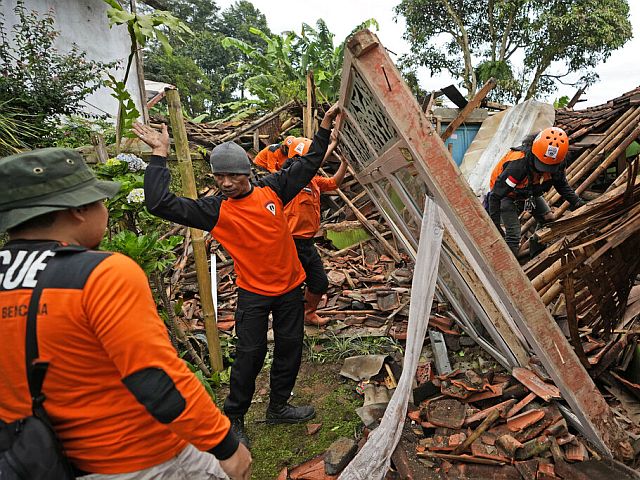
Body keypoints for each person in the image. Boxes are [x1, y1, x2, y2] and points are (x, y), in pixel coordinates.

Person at [0, 148, 251, 479]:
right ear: (78, 209)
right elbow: (156, 377)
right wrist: (224, 444)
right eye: (100, 200)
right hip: (139, 458)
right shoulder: (101, 273)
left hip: (35, 460)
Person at [135, 103, 341, 449]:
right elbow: (159, 203)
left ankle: (278, 406)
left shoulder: (274, 188)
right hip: (254, 295)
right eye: (220, 177)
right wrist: (159, 155)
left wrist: (322, 128)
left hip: (290, 290)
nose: (226, 183)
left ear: (248, 172)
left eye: (233, 176)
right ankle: (235, 416)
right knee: (250, 355)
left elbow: (308, 164)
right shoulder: (214, 210)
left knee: (290, 348)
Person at [254, 136, 347, 327]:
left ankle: (308, 314)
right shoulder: (285, 183)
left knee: (319, 282)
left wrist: (345, 163)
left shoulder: (313, 181)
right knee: (289, 288)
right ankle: (283, 322)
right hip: (288, 243)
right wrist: (329, 146)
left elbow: (333, 184)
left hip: (307, 243)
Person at [488, 127, 586, 256]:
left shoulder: (558, 162)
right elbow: (495, 196)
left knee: (548, 219)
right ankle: (508, 267)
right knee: (513, 235)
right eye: (542, 164)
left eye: (550, 166)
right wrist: (495, 226)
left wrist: (579, 203)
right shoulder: (518, 164)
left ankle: (535, 252)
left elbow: (561, 185)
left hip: (530, 192)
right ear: (534, 152)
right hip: (506, 195)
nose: (545, 169)